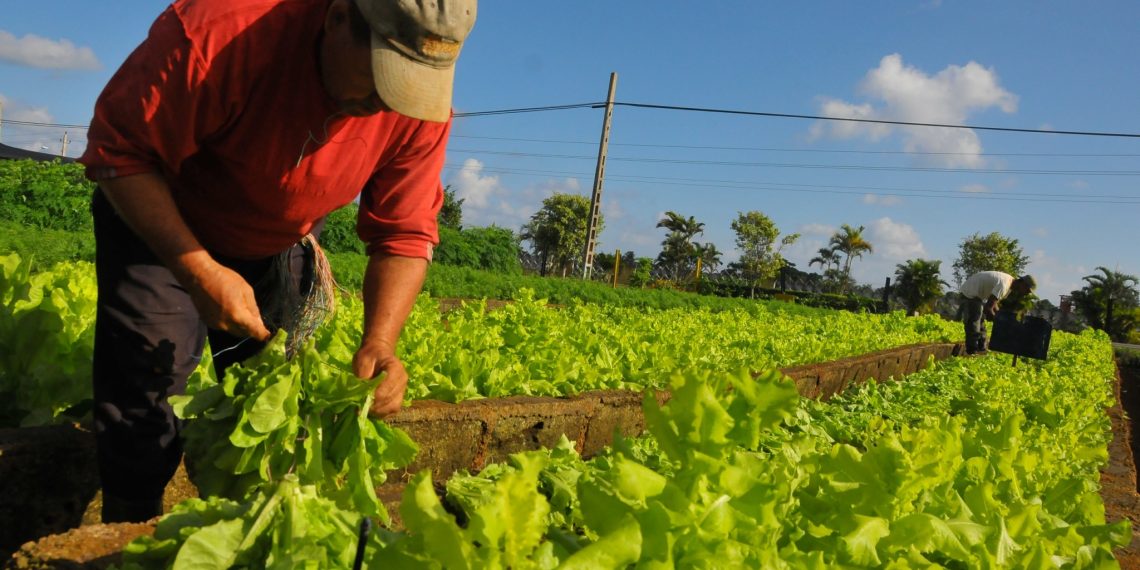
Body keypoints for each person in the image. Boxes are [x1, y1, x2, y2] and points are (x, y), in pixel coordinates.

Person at [77, 0, 477, 522]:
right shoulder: (221, 31)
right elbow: (120, 154)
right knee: (144, 399)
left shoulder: (417, 108)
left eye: (404, 84)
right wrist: (198, 269)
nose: (386, 101)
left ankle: (254, 534)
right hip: (159, 218)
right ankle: (125, 538)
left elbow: (403, 232)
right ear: (336, 18)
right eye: (382, 74)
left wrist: (380, 342)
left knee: (277, 407)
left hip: (274, 237)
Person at [958, 271, 1036, 355]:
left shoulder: (1009, 286)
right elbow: (988, 308)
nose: (1026, 293)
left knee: (980, 320)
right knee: (975, 319)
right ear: (1022, 283)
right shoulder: (1004, 285)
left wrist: (1001, 318)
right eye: (1027, 290)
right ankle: (972, 350)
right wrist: (999, 323)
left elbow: (994, 306)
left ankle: (981, 348)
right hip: (970, 292)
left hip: (978, 295)